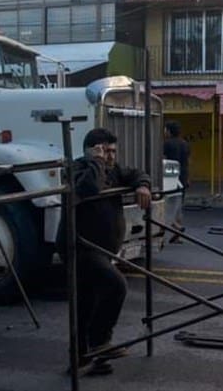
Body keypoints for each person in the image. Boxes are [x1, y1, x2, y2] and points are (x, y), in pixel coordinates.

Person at [58, 128, 151, 376]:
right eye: (104, 151)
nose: (110, 157)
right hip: (81, 247)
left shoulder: (113, 169)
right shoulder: (78, 168)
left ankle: (86, 359)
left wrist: (142, 185)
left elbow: (137, 173)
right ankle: (100, 343)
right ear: (91, 150)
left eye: (112, 152)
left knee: (88, 303)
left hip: (102, 248)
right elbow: (89, 188)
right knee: (115, 285)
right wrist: (94, 161)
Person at [163, 121, 190, 243]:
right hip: (183, 177)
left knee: (164, 205)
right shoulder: (185, 144)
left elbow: (162, 160)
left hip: (169, 177)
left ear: (169, 131)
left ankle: (175, 226)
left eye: (165, 129)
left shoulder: (167, 144)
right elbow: (188, 162)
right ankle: (177, 235)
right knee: (178, 206)